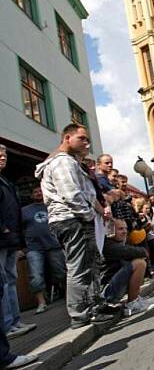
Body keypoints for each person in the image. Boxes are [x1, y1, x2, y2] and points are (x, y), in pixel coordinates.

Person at [35, 124, 115, 329]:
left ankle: (95, 306)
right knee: (79, 266)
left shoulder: (71, 162)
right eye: (82, 139)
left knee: (90, 264)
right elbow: (71, 195)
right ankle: (80, 314)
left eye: (87, 139)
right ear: (67, 138)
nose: (86, 143)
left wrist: (96, 210)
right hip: (71, 219)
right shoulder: (63, 162)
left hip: (75, 218)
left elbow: (86, 193)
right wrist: (88, 215)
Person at [0, 146, 37, 338]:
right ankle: (7, 325)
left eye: (4, 154)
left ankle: (14, 321)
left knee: (10, 280)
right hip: (3, 237)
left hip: (10, 240)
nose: (2, 157)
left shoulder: (6, 181)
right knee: (3, 283)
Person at [21, 187, 66, 314]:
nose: (38, 193)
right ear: (31, 195)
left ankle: (69, 298)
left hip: (54, 244)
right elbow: (19, 229)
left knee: (61, 272)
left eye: (40, 191)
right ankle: (41, 302)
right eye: (35, 192)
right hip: (33, 247)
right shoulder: (24, 210)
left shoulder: (52, 205)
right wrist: (21, 247)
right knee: (35, 275)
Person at [101, 219, 154, 317]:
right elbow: (140, 252)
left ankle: (135, 299)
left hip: (113, 288)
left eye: (126, 228)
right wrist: (143, 252)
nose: (125, 231)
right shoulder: (108, 245)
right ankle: (132, 304)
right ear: (110, 230)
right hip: (106, 292)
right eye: (120, 229)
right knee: (139, 264)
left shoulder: (118, 243)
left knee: (138, 264)